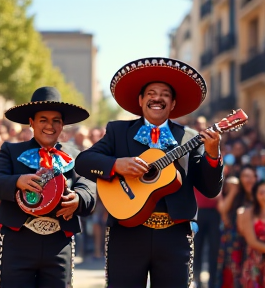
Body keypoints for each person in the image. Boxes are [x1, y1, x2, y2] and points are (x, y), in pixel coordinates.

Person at [75, 57, 224, 288]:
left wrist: (213, 155)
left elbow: (211, 189)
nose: (158, 98)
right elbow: (83, 162)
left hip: (174, 236)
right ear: (141, 100)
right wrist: (116, 165)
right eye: (151, 93)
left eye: (165, 94)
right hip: (126, 233)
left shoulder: (189, 137)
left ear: (173, 103)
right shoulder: (118, 131)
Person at [0, 86, 96, 288]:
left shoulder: (76, 155)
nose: (50, 126)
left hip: (58, 245)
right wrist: (17, 180)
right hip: (17, 242)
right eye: (43, 120)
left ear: (62, 125)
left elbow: (89, 189)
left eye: (56, 121)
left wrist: (79, 198)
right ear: (32, 122)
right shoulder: (11, 150)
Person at [216, 164, 257, 288]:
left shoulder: (260, 194)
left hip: (253, 242)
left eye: (251, 176)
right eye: (245, 176)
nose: (248, 180)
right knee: (231, 276)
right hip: (234, 242)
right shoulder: (237, 195)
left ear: (256, 178)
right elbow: (222, 209)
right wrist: (233, 190)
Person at [192, 116, 221, 288]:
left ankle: (212, 282)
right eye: (198, 125)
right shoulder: (188, 147)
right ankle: (195, 279)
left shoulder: (214, 149)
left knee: (213, 249)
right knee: (196, 248)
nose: (200, 128)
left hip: (214, 211)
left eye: (203, 126)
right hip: (196, 211)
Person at [237, 180, 265, 287]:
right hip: (254, 263)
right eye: (261, 192)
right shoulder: (248, 213)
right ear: (255, 195)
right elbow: (251, 241)